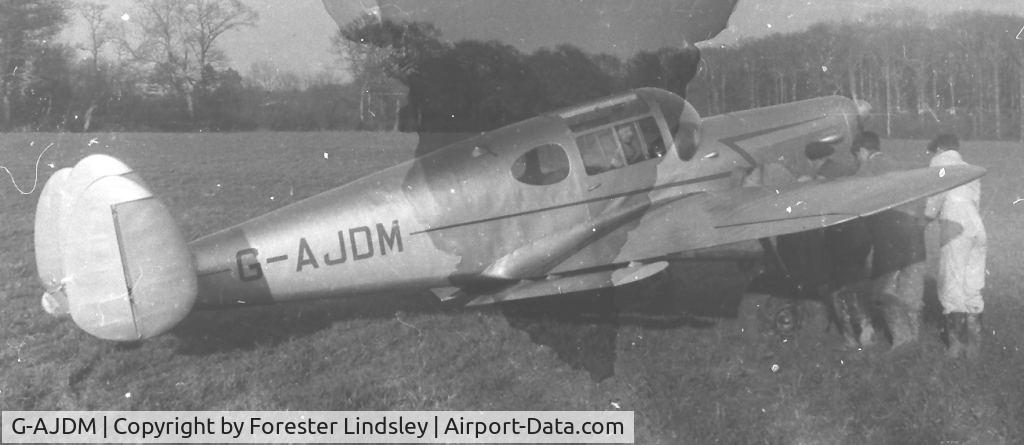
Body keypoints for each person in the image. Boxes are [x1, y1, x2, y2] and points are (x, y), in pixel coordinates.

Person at [853, 131, 928, 351]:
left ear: (863, 151)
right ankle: (915, 338)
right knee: (911, 292)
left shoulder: (867, 170)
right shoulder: (901, 166)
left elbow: (856, 203)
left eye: (857, 156)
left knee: (883, 292)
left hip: (889, 239)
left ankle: (902, 341)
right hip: (914, 236)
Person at [924, 134, 987, 360]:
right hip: (976, 225)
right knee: (973, 283)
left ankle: (956, 345)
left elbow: (935, 197)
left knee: (951, 281)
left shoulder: (939, 162)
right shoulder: (969, 168)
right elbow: (976, 201)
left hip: (954, 223)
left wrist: (927, 217)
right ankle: (975, 346)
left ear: (939, 148)